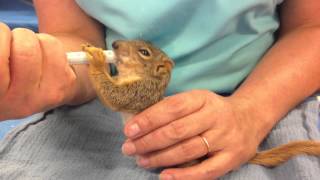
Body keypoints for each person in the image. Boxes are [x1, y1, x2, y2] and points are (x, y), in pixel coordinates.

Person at [0, 0, 319, 179]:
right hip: (101, 115)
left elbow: (311, 27)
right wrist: (45, 72)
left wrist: (250, 111)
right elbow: (75, 37)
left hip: (264, 96)